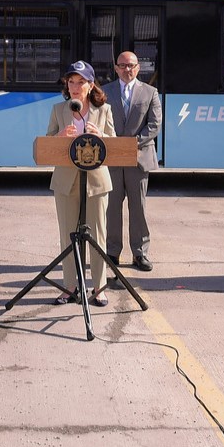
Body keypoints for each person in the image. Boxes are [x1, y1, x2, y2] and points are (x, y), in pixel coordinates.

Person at [47, 60, 118, 306]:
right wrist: (59, 137)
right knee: (68, 235)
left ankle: (99, 287)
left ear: (90, 85)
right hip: (66, 181)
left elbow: (115, 144)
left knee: (97, 234)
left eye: (80, 82)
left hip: (96, 181)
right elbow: (47, 144)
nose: (75, 87)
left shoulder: (104, 110)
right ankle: (70, 287)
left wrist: (103, 137)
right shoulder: (59, 109)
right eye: (71, 82)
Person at [103, 51, 161, 271]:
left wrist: (133, 143)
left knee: (139, 209)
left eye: (132, 66)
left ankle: (140, 253)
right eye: (123, 66)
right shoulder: (104, 92)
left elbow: (154, 125)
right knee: (112, 209)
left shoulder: (150, 92)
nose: (127, 69)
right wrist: (114, 145)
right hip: (113, 159)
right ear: (116, 68)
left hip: (139, 158)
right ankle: (112, 252)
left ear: (138, 68)